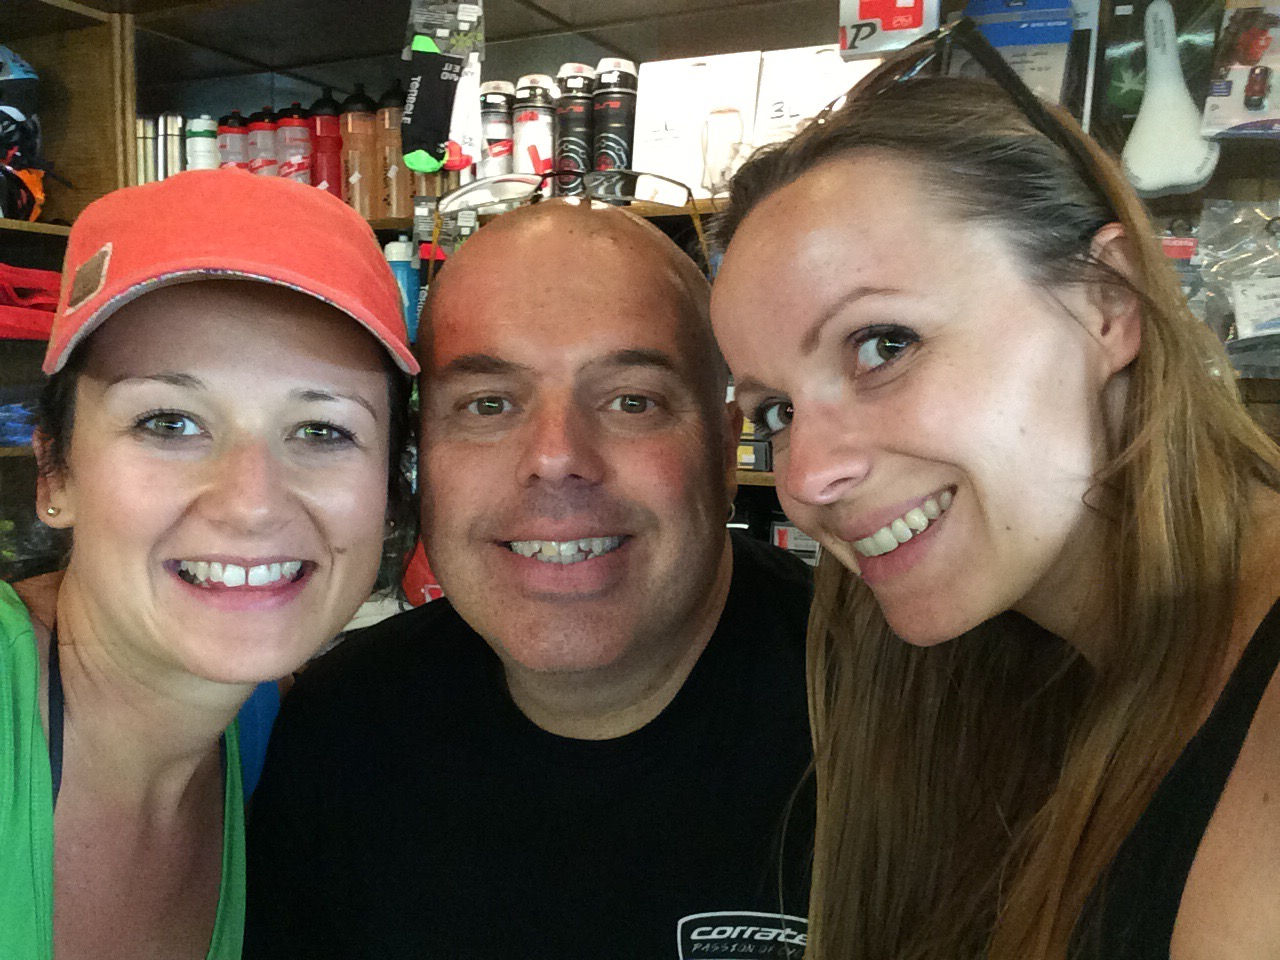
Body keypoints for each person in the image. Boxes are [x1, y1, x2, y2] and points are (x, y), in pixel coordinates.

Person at [707, 21, 1280, 960]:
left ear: (1108, 301)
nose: (807, 477)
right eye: (776, 411)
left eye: (883, 344)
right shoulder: (987, 677)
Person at [245, 200, 815, 959]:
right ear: (420, 460)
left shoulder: (897, 716)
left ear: (724, 449)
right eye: (488, 405)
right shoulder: (336, 735)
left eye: (631, 400)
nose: (555, 457)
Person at [1, 168, 417, 960]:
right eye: (169, 422)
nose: (251, 502)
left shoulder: (275, 739)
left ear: (390, 494)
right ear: (54, 474)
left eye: (323, 431)